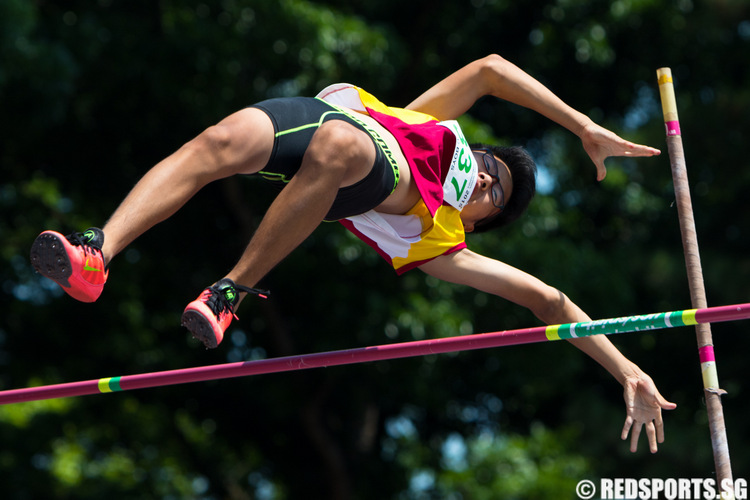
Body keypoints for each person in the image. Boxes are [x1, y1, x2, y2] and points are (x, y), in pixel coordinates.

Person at [30, 54, 676, 453]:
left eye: (493, 192)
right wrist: (583, 126)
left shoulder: (440, 241)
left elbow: (548, 300)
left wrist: (624, 369)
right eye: (487, 165)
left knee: (339, 147)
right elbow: (491, 70)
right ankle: (98, 255)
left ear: (479, 224)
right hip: (319, 117)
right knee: (215, 143)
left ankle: (227, 293)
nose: (483, 177)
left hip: (359, 163)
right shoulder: (423, 117)